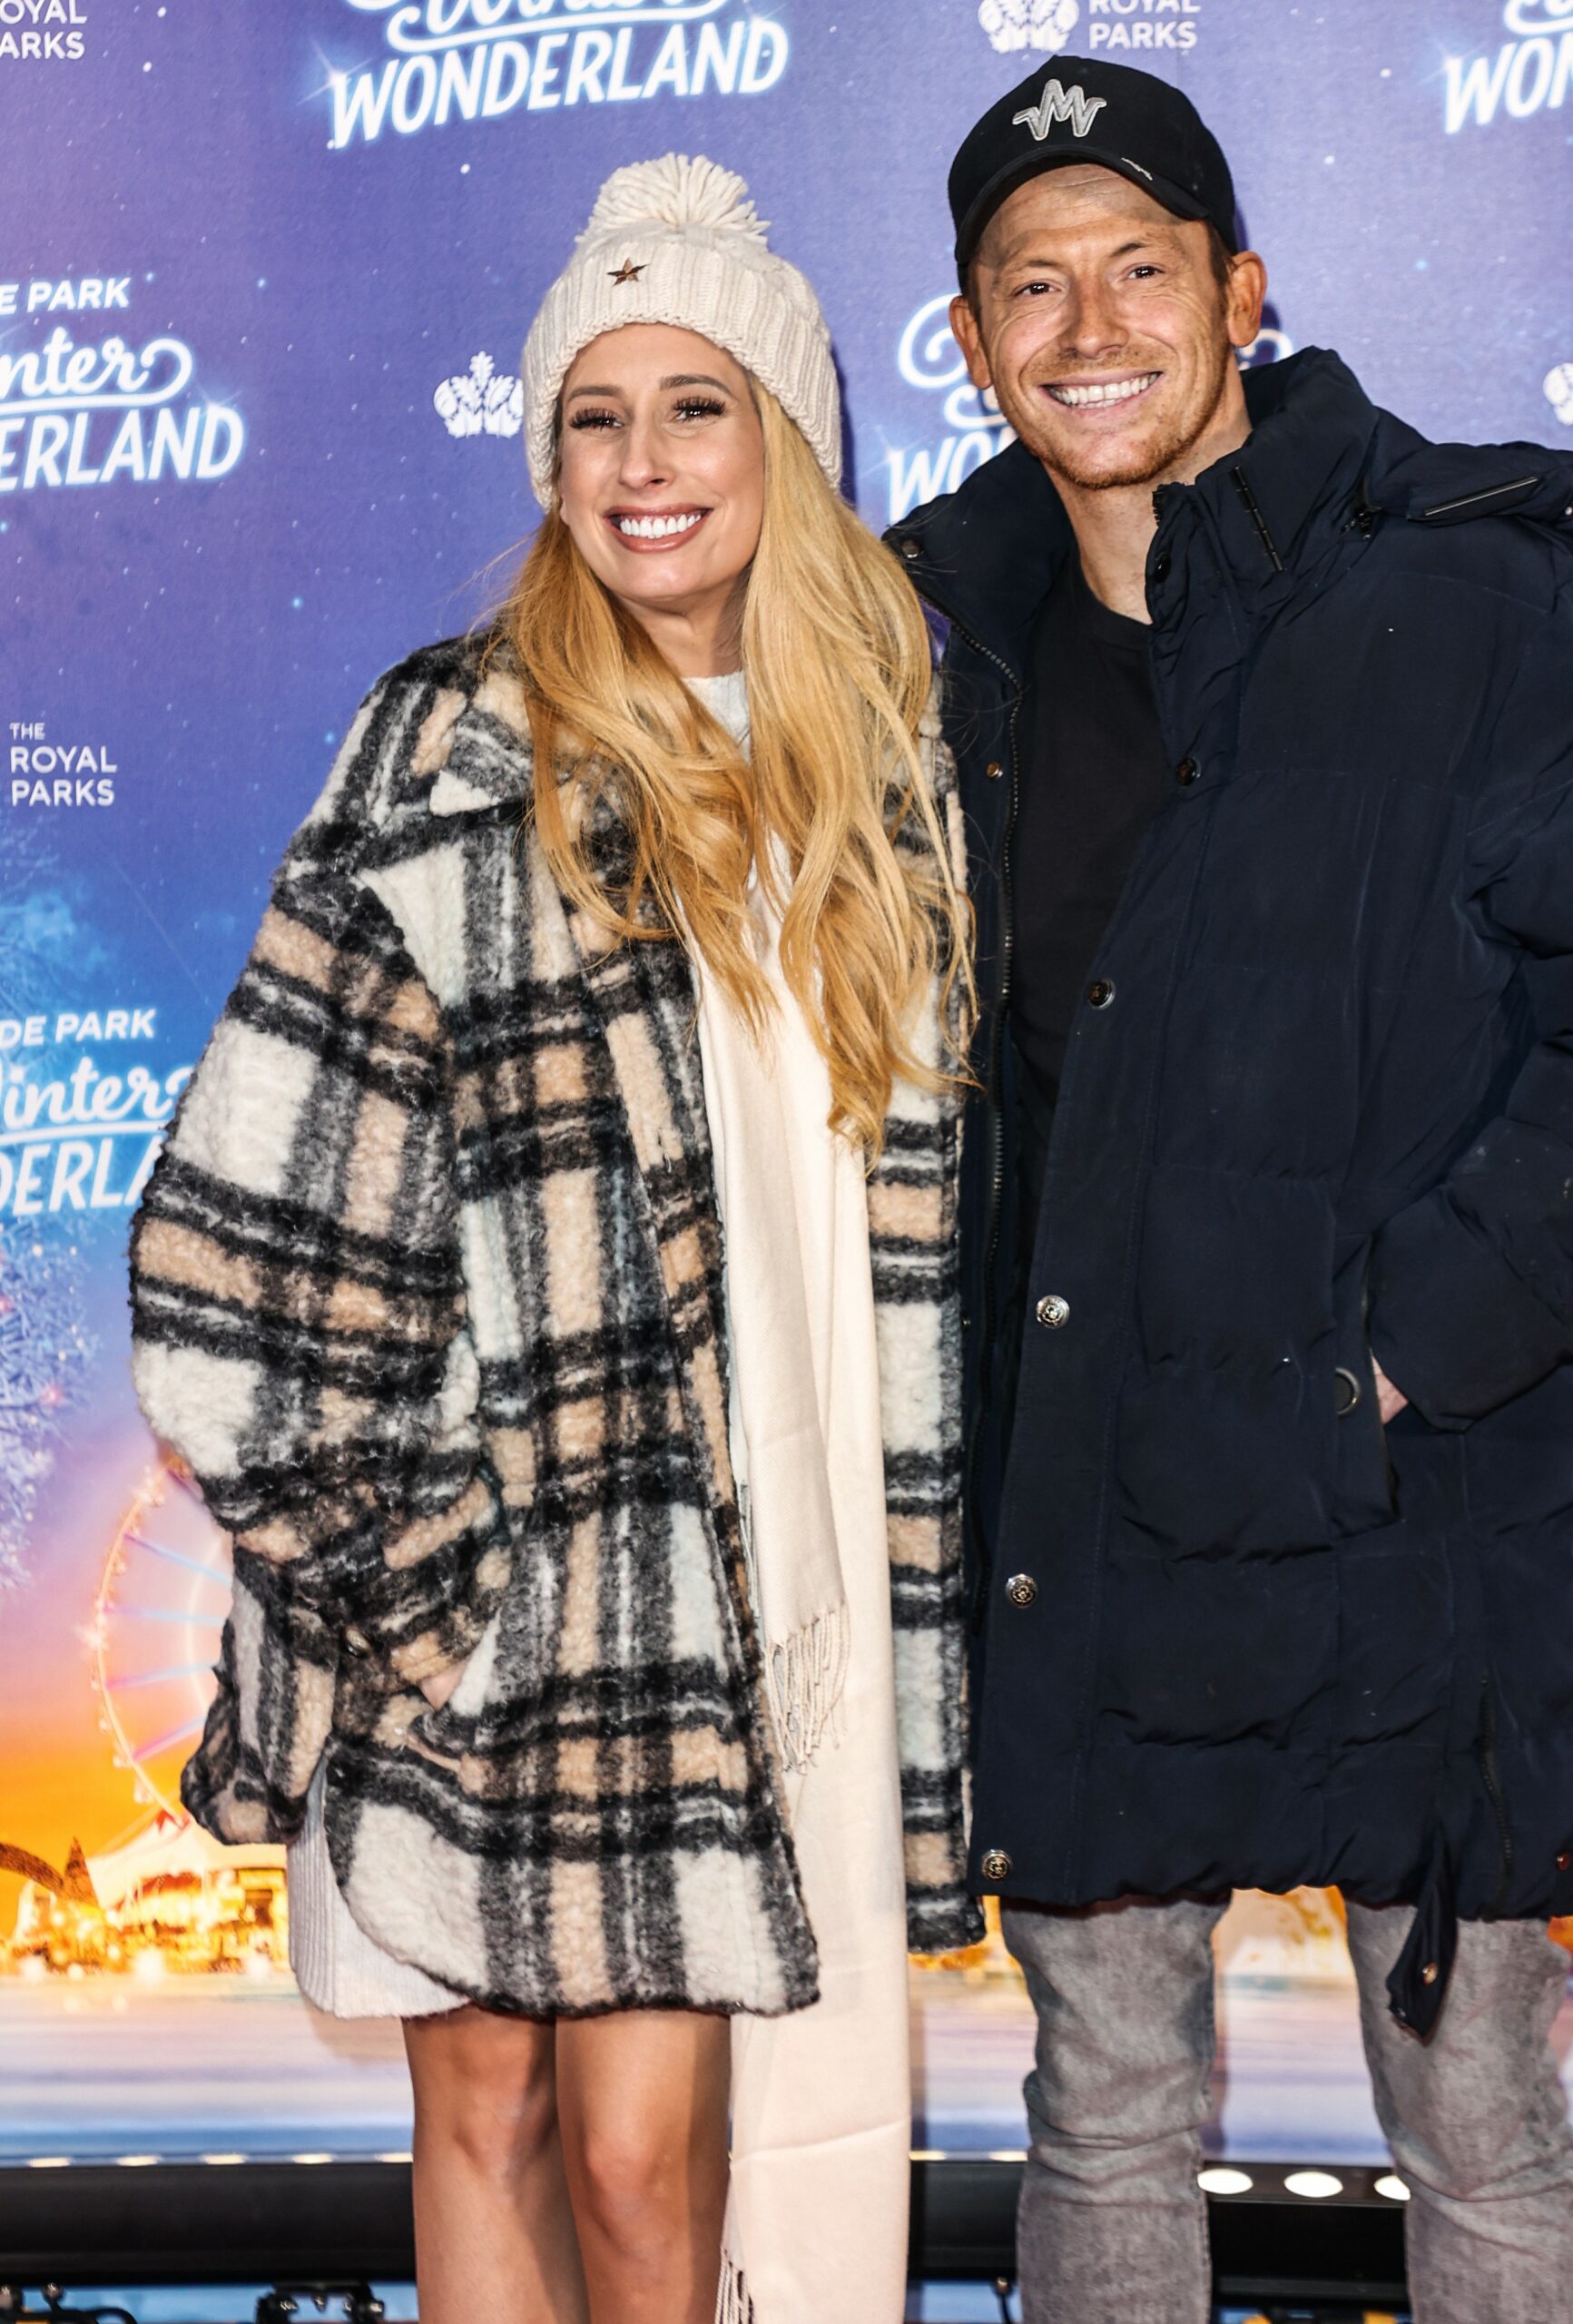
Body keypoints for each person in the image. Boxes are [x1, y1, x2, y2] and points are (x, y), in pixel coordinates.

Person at [888, 59, 1573, 2324]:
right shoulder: (920, 640)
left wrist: (1392, 1352)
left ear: (1239, 289)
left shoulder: (1480, 604)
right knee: (1101, 2112)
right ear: (974, 335)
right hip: (1082, 1502)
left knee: (1478, 2122)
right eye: (1032, 286)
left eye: (1138, 270)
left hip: (1424, 1524)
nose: (1088, 327)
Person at [129, 154, 980, 2324]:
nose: (640, 464)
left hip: (777, 1594)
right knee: (513, 2127)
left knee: (664, 2177)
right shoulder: (450, 743)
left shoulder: (883, 775)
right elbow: (237, 1245)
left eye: (693, 404)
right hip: (503, 1595)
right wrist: (431, 1588)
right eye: (593, 416)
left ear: (783, 432)